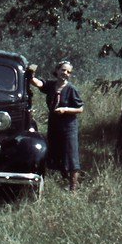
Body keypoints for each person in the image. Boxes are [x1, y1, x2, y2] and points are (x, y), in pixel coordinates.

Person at [30, 60, 84, 190]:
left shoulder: (71, 89)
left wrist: (65, 109)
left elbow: (80, 108)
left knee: (71, 155)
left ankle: (73, 188)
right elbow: (38, 83)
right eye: (63, 70)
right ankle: (52, 184)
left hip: (68, 125)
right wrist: (30, 75)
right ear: (57, 70)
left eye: (68, 72)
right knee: (55, 152)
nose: (65, 73)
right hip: (54, 124)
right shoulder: (51, 85)